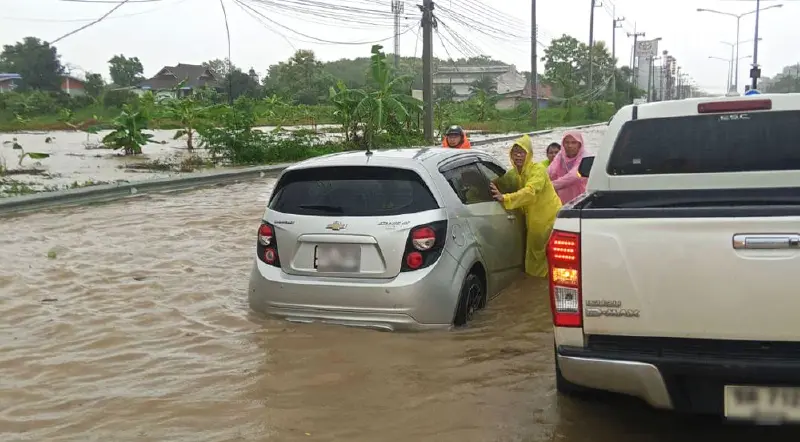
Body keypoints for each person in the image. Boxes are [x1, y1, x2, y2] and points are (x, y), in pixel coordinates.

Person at [489, 135, 562, 277]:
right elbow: (501, 182)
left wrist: (504, 198)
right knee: (537, 254)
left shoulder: (538, 170)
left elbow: (530, 192)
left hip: (548, 217)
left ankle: (541, 284)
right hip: (533, 218)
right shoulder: (514, 174)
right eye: (514, 152)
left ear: (529, 154)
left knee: (541, 254)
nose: (518, 156)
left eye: (522, 152)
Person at [548, 131, 588, 204]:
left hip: (581, 198)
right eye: (567, 142)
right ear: (563, 144)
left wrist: (549, 186)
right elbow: (551, 170)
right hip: (562, 199)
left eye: (573, 143)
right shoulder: (561, 155)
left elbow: (574, 176)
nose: (570, 146)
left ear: (579, 144)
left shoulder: (585, 157)